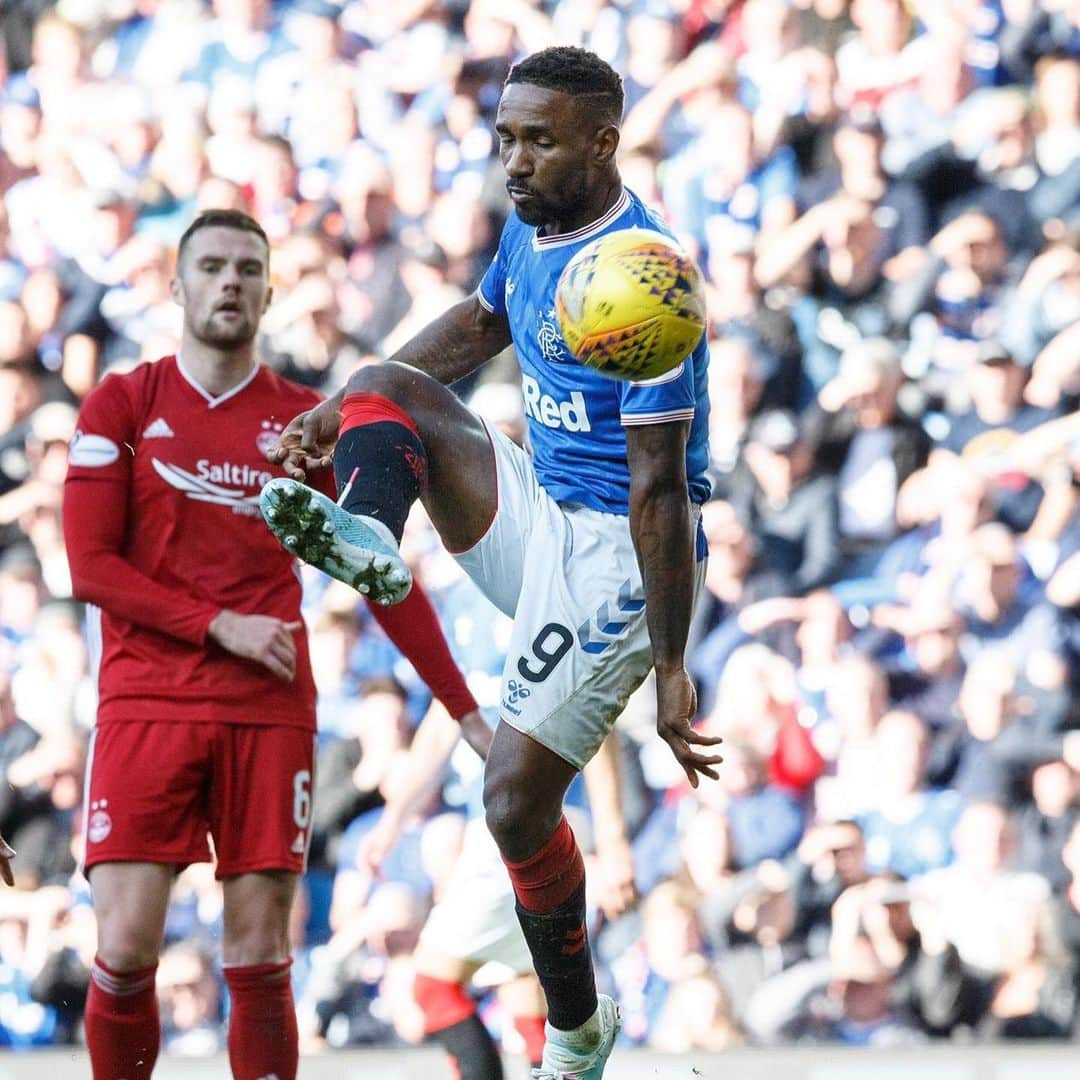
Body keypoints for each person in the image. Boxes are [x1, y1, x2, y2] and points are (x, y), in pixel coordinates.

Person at [264, 46, 721, 1080]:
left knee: (512, 800)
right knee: (388, 378)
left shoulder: (645, 283)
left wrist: (673, 665)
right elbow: (479, 324)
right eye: (507, 136)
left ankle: (577, 1030)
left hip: (618, 558)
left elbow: (659, 493)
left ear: (603, 143)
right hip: (543, 511)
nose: (513, 160)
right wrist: (337, 413)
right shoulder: (536, 224)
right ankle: (371, 532)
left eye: (540, 140)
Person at [60, 209, 487, 1080]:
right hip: (149, 703)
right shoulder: (125, 402)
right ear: (176, 287)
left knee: (259, 957)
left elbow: (379, 574)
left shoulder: (304, 423)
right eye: (211, 267)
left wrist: (463, 709)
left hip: (268, 710)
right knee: (127, 946)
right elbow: (90, 565)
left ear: (269, 289)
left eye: (248, 269)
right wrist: (220, 626)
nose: (230, 283)